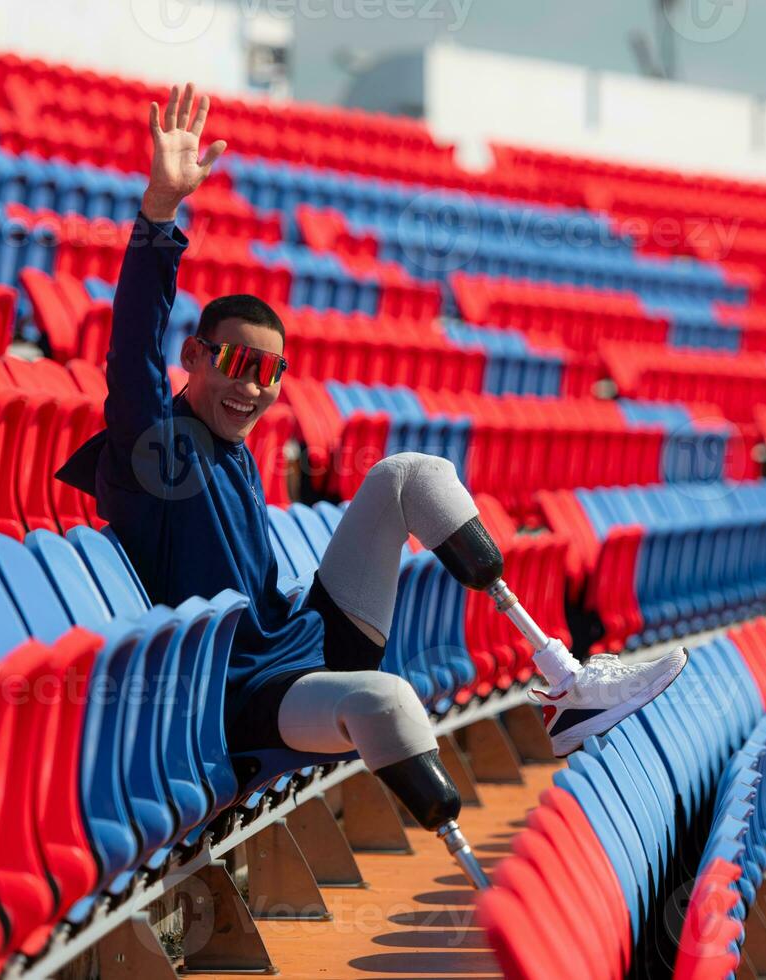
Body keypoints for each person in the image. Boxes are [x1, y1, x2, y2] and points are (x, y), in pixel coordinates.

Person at [60, 83, 687, 815]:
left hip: (306, 637)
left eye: (270, 375)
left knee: (408, 474)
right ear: (193, 356)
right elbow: (132, 343)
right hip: (246, 696)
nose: (253, 390)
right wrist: (160, 213)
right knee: (389, 702)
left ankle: (564, 680)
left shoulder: (232, 448)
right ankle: (477, 882)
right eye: (236, 365)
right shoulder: (156, 450)